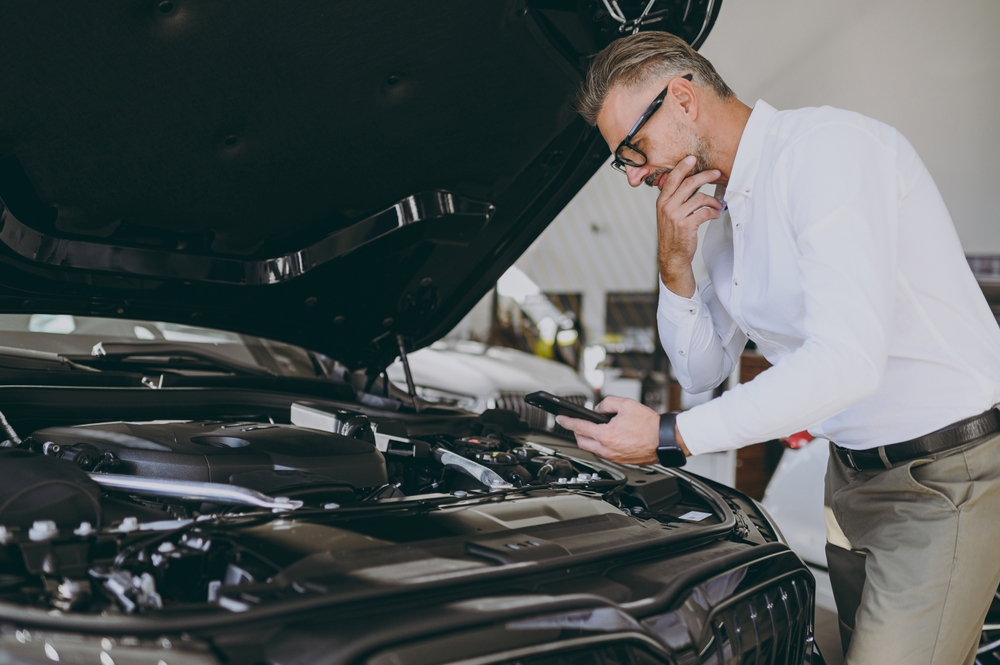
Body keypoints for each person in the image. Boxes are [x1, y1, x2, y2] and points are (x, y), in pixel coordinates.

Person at [556, 31, 1000, 665]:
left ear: (681, 100)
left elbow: (846, 360)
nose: (633, 176)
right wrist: (675, 265)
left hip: (944, 477)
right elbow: (703, 369)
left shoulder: (828, 153)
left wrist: (666, 436)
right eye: (623, 161)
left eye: (632, 149)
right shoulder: (722, 209)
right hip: (849, 477)